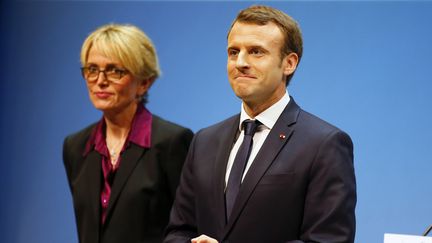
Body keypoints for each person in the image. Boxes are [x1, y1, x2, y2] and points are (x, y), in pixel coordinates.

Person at [164, 5, 356, 243]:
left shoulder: (324, 144)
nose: (240, 62)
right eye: (233, 52)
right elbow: (178, 232)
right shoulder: (204, 141)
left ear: (289, 63)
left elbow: (328, 240)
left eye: (256, 52)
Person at [63, 23, 193, 243]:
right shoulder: (75, 147)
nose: (100, 81)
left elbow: (188, 227)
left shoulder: (172, 142)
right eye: (92, 70)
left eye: (115, 71)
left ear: (144, 82)